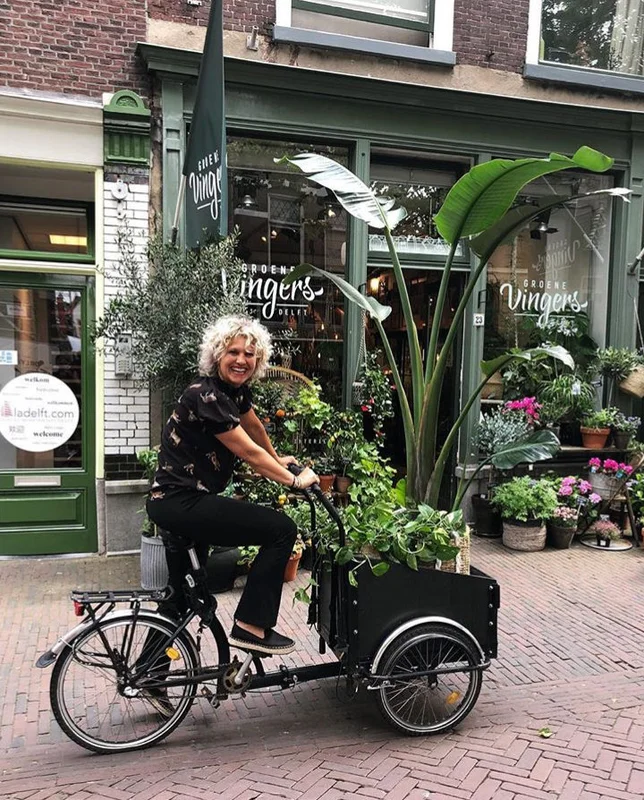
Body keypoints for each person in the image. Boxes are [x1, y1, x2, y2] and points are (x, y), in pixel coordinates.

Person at [146, 314, 319, 656]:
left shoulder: (233, 393)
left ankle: (148, 674)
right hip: (182, 502)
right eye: (233, 352)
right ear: (217, 355)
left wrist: (278, 457)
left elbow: (254, 429)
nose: (241, 360)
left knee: (180, 598)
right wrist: (295, 480)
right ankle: (250, 625)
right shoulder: (206, 395)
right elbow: (249, 453)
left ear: (258, 360)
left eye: (249, 354)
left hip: (174, 503)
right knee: (281, 530)